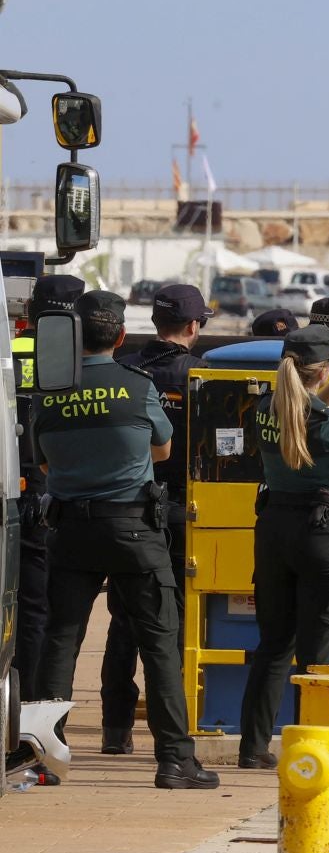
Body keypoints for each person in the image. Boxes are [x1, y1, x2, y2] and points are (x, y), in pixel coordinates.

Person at [36, 291, 217, 789]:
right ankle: (175, 760)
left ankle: (44, 757)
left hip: (70, 528)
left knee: (61, 642)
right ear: (120, 336)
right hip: (133, 527)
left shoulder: (50, 392)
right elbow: (163, 449)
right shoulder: (136, 387)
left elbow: (45, 463)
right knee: (160, 642)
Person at [235, 326, 329, 768]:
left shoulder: (264, 408)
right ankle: (311, 752)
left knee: (272, 645)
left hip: (273, 530)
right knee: (317, 656)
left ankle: (252, 748)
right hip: (321, 535)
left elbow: (300, 407)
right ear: (321, 368)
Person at [102, 282, 207, 754]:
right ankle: (179, 728)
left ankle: (115, 729)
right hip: (184, 510)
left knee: (124, 621)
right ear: (193, 326)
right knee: (176, 625)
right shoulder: (201, 378)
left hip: (129, 506)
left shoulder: (123, 369)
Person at [9, 275, 85, 700]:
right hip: (46, 488)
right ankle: (31, 701)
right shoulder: (71, 360)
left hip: (9, 479)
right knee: (38, 606)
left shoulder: (10, 350)